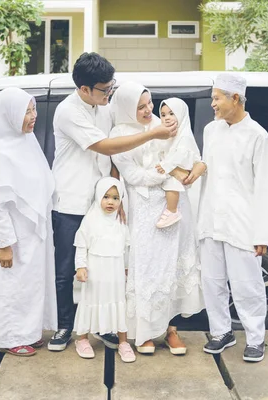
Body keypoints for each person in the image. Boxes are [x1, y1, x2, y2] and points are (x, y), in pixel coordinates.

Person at [49, 53, 178, 352]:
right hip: (71, 199)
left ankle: (101, 326)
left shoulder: (104, 106)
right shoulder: (68, 112)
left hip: (104, 200)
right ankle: (65, 326)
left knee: (105, 267)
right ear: (84, 89)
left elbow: (122, 140)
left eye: (112, 87)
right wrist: (152, 135)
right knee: (67, 268)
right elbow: (105, 145)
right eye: (105, 89)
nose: (110, 93)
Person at [110, 81, 204, 355]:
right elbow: (133, 176)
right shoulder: (119, 134)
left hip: (174, 205)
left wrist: (195, 167)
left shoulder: (165, 122)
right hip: (143, 207)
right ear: (127, 108)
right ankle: (145, 332)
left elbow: (189, 152)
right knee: (147, 269)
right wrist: (167, 172)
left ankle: (171, 331)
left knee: (172, 265)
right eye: (141, 106)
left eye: (149, 103)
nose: (148, 110)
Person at [0, 87, 57, 357]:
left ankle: (29, 333)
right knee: (10, 287)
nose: (33, 116)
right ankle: (9, 337)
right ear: (9, 115)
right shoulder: (0, 153)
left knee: (29, 286)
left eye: (33, 109)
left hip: (31, 235)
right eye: (26, 111)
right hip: (12, 237)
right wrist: (5, 243)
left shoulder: (26, 144)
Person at [198, 73, 268, 363]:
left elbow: (263, 188)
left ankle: (256, 339)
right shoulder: (210, 131)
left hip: (242, 222)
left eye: (216, 98)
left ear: (235, 99)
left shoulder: (258, 135)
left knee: (246, 285)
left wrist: (261, 234)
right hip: (211, 219)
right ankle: (221, 332)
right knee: (212, 281)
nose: (212, 104)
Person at [72, 177, 136, 363]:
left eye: (116, 198)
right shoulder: (90, 220)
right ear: (98, 196)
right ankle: (82, 339)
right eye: (106, 196)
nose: (110, 201)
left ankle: (123, 342)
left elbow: (126, 247)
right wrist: (80, 266)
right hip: (95, 271)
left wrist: (125, 267)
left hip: (115, 271)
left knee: (118, 302)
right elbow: (81, 246)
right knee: (90, 301)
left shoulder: (121, 220)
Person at [154, 98, 202, 228]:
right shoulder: (166, 135)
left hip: (181, 167)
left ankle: (172, 211)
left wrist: (166, 165)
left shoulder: (184, 136)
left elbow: (180, 155)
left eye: (171, 113)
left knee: (172, 184)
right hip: (171, 169)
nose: (167, 118)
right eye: (163, 115)